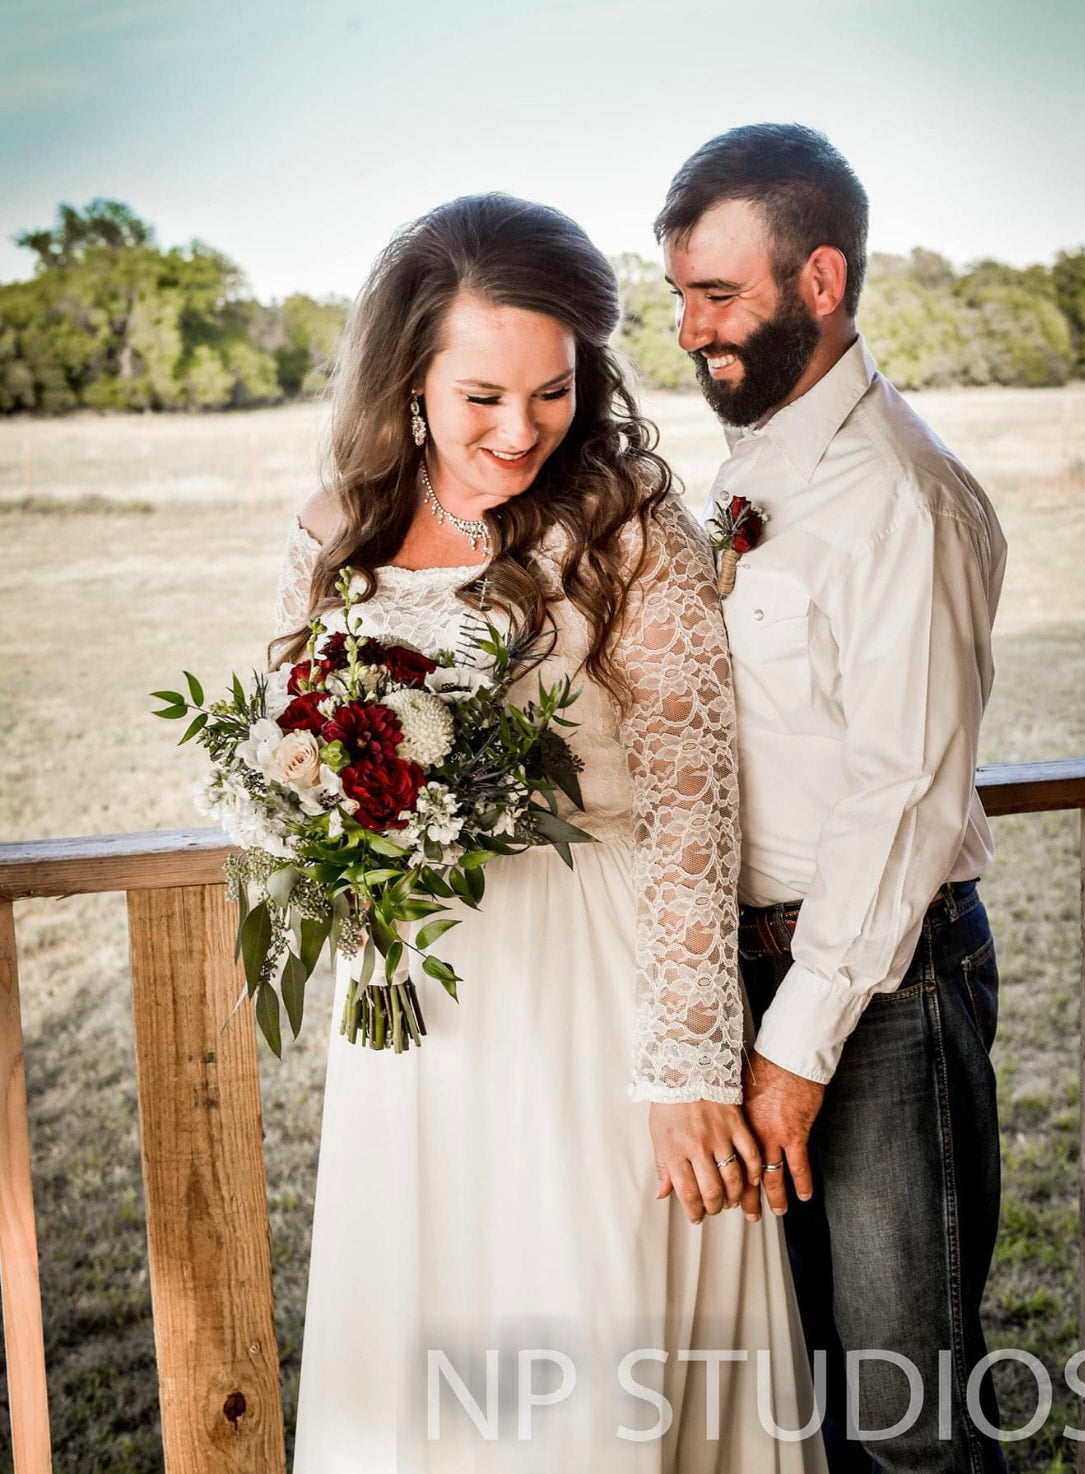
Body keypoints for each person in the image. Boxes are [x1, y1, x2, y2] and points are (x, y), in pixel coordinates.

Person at [273, 194, 827, 1472]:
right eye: (481, 398)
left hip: (599, 992)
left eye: (554, 390)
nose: (522, 432)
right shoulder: (332, 530)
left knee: (590, 1344)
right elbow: (298, 741)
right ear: (409, 376)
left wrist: (689, 1063)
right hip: (416, 1012)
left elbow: (695, 786)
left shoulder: (628, 524)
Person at [658, 126, 1008, 1474]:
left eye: (717, 295)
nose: (690, 330)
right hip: (760, 980)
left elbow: (904, 799)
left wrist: (796, 1049)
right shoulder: (755, 467)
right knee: (803, 1408)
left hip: (876, 996)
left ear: (818, 279)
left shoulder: (900, 500)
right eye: (680, 293)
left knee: (908, 1423)